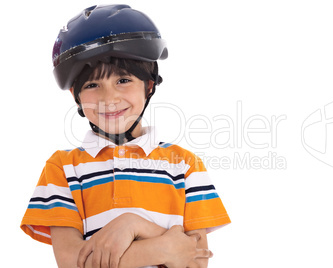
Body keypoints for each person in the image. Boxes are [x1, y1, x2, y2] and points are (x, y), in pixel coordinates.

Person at [20, 4, 230, 268]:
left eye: (123, 80)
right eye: (93, 85)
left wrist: (132, 224)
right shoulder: (62, 168)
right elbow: (71, 262)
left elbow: (195, 262)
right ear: (76, 95)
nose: (109, 99)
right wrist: (163, 247)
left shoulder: (185, 164)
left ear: (149, 85)